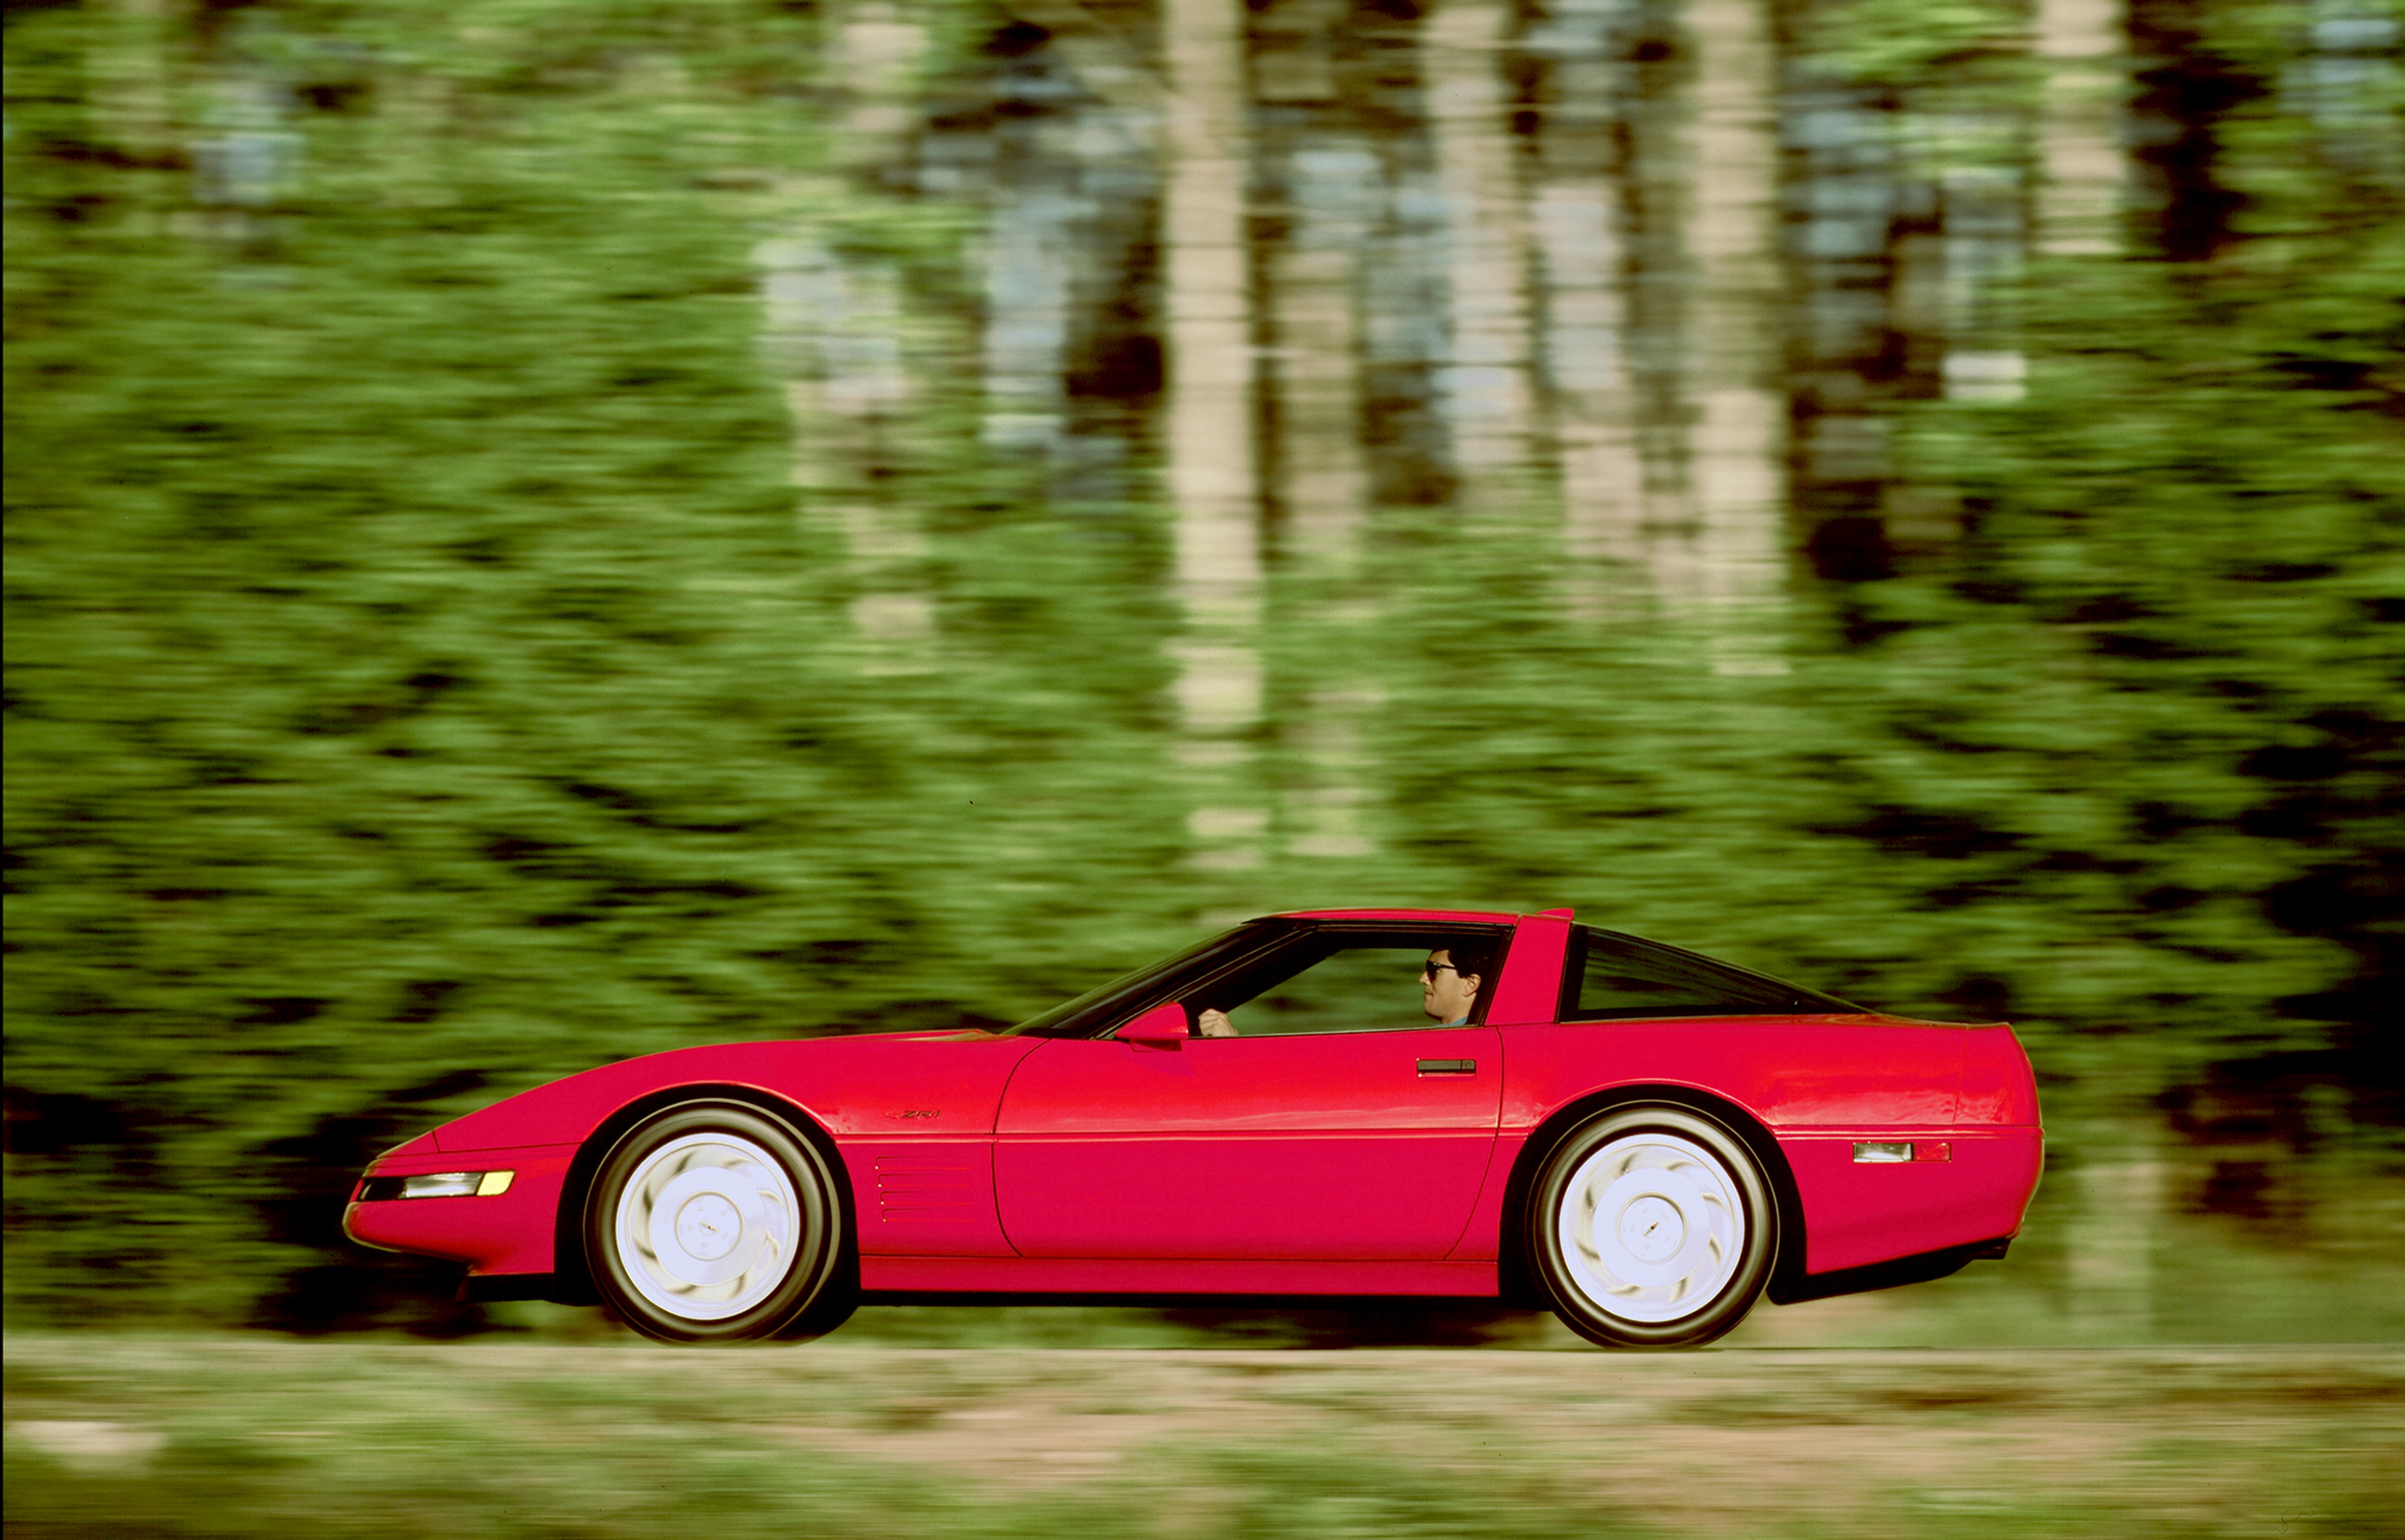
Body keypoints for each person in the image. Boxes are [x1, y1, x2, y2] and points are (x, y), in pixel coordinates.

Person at [1194, 941, 1494, 1037]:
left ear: (1471, 984)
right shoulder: (1449, 1040)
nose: (1422, 979)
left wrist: (1232, 1047)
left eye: (1434, 970)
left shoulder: (1456, 1045)